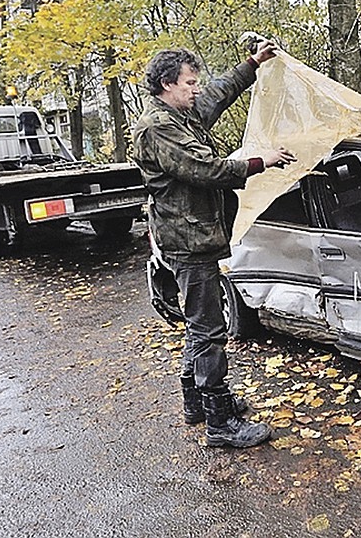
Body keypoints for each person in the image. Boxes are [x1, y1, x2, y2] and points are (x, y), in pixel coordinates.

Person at [131, 43, 295, 448]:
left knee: (199, 323)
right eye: (189, 82)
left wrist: (253, 64)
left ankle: (196, 403)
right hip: (189, 242)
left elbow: (218, 94)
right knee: (209, 330)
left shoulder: (180, 115)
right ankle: (219, 421)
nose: (196, 88)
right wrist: (262, 161)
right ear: (168, 85)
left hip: (195, 234)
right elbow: (206, 169)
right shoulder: (159, 128)